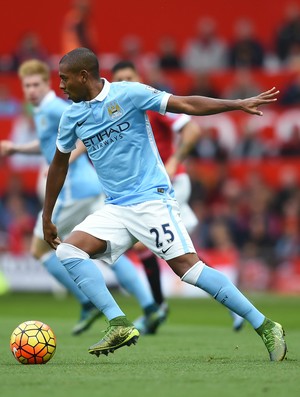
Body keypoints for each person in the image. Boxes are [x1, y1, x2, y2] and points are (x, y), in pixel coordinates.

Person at [43, 47, 287, 361]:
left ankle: (266, 325)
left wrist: (236, 104)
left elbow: (185, 103)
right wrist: (47, 216)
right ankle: (118, 322)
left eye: (64, 79)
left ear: (83, 76)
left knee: (189, 269)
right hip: (116, 208)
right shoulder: (72, 115)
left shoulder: (129, 94)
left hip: (151, 200)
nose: (60, 86)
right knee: (69, 250)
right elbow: (58, 164)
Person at [0, 59, 163, 336]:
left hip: (73, 192)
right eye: (26, 86)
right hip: (90, 188)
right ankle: (149, 306)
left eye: (36, 84)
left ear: (47, 83)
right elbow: (47, 146)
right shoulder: (42, 111)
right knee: (105, 247)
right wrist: (16, 148)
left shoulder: (55, 107)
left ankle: (87, 302)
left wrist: (63, 164)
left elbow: (82, 137)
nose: (31, 90)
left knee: (41, 250)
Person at [111, 60, 244, 333]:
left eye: (129, 77)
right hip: (147, 190)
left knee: (142, 246)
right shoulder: (115, 113)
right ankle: (234, 306)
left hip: (171, 183)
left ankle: (157, 309)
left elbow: (192, 129)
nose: (125, 82)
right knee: (183, 256)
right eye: (119, 79)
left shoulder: (149, 103)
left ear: (139, 78)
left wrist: (174, 161)